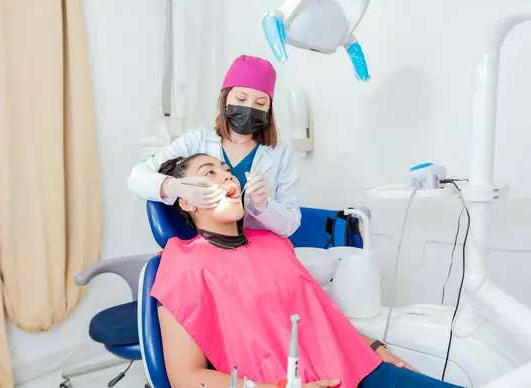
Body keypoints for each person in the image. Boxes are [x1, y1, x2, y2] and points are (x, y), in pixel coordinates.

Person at [150, 153, 464, 388]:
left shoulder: (273, 244)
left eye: (228, 171)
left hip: (358, 368)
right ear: (187, 202)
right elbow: (185, 378)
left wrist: (374, 347)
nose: (228, 177)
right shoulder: (183, 265)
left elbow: (318, 315)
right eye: (210, 173)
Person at [127, 55, 301, 237]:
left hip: (260, 251)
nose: (249, 108)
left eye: (260, 103)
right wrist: (177, 188)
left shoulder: (281, 155)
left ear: (268, 111)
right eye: (241, 99)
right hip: (208, 249)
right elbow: (136, 180)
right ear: (225, 99)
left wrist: (263, 205)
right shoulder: (195, 141)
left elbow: (290, 225)